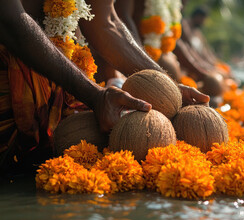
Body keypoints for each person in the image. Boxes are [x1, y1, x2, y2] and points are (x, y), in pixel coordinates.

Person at [0, 0, 209, 175]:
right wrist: (94, 95)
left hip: (68, 86)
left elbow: (106, 22)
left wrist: (167, 87)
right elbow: (10, 20)